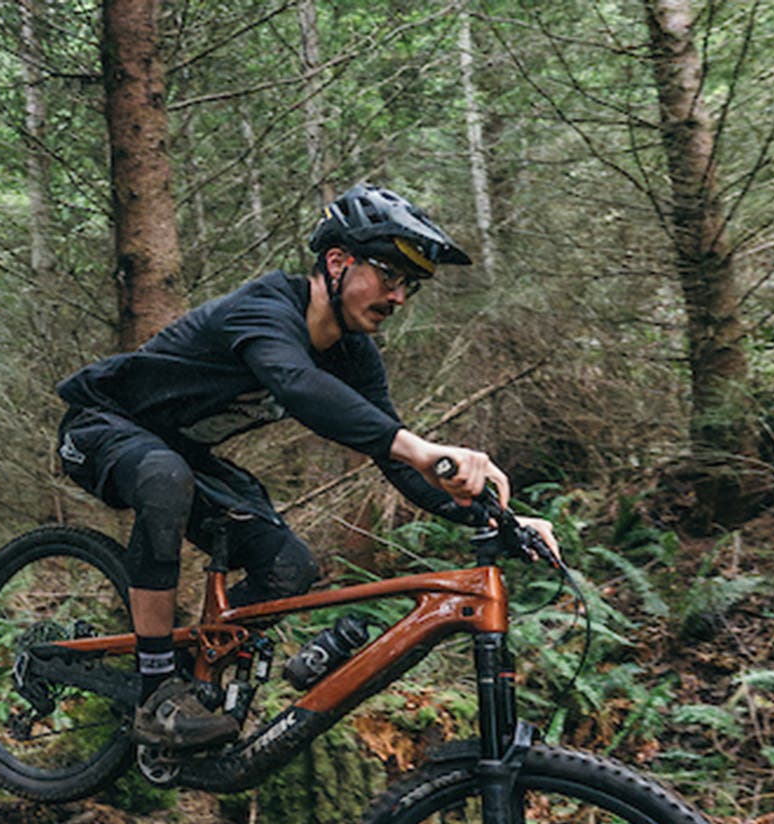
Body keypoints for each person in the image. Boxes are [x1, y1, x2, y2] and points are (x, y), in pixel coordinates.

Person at [54, 182, 559, 750]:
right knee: (164, 477)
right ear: (338, 262)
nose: (398, 297)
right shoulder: (266, 308)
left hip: (183, 454)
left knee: (289, 569)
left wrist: (494, 521)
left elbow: (387, 452)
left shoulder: (354, 354)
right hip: (103, 424)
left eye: (410, 287)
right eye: (389, 275)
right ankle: (154, 693)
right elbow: (299, 386)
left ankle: (189, 671)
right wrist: (420, 448)